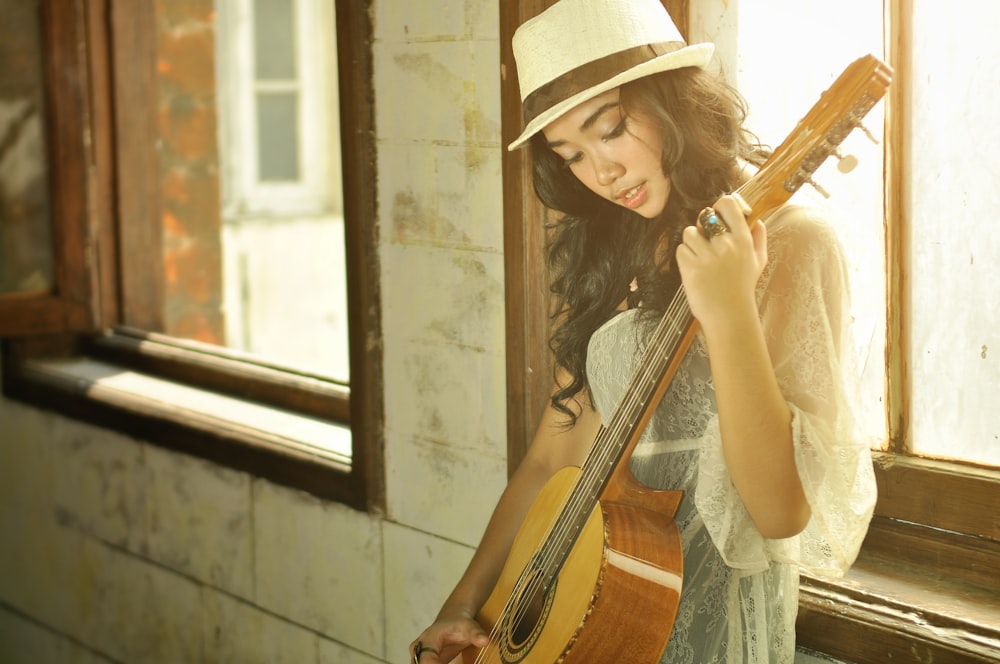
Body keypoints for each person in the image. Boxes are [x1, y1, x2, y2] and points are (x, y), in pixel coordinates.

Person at [411, 0, 877, 662]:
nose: (600, 173)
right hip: (586, 626)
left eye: (610, 129)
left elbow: (780, 515)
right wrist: (461, 608)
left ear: (676, 103)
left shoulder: (795, 244)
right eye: (569, 154)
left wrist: (729, 312)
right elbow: (553, 455)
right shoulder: (615, 249)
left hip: (709, 636)